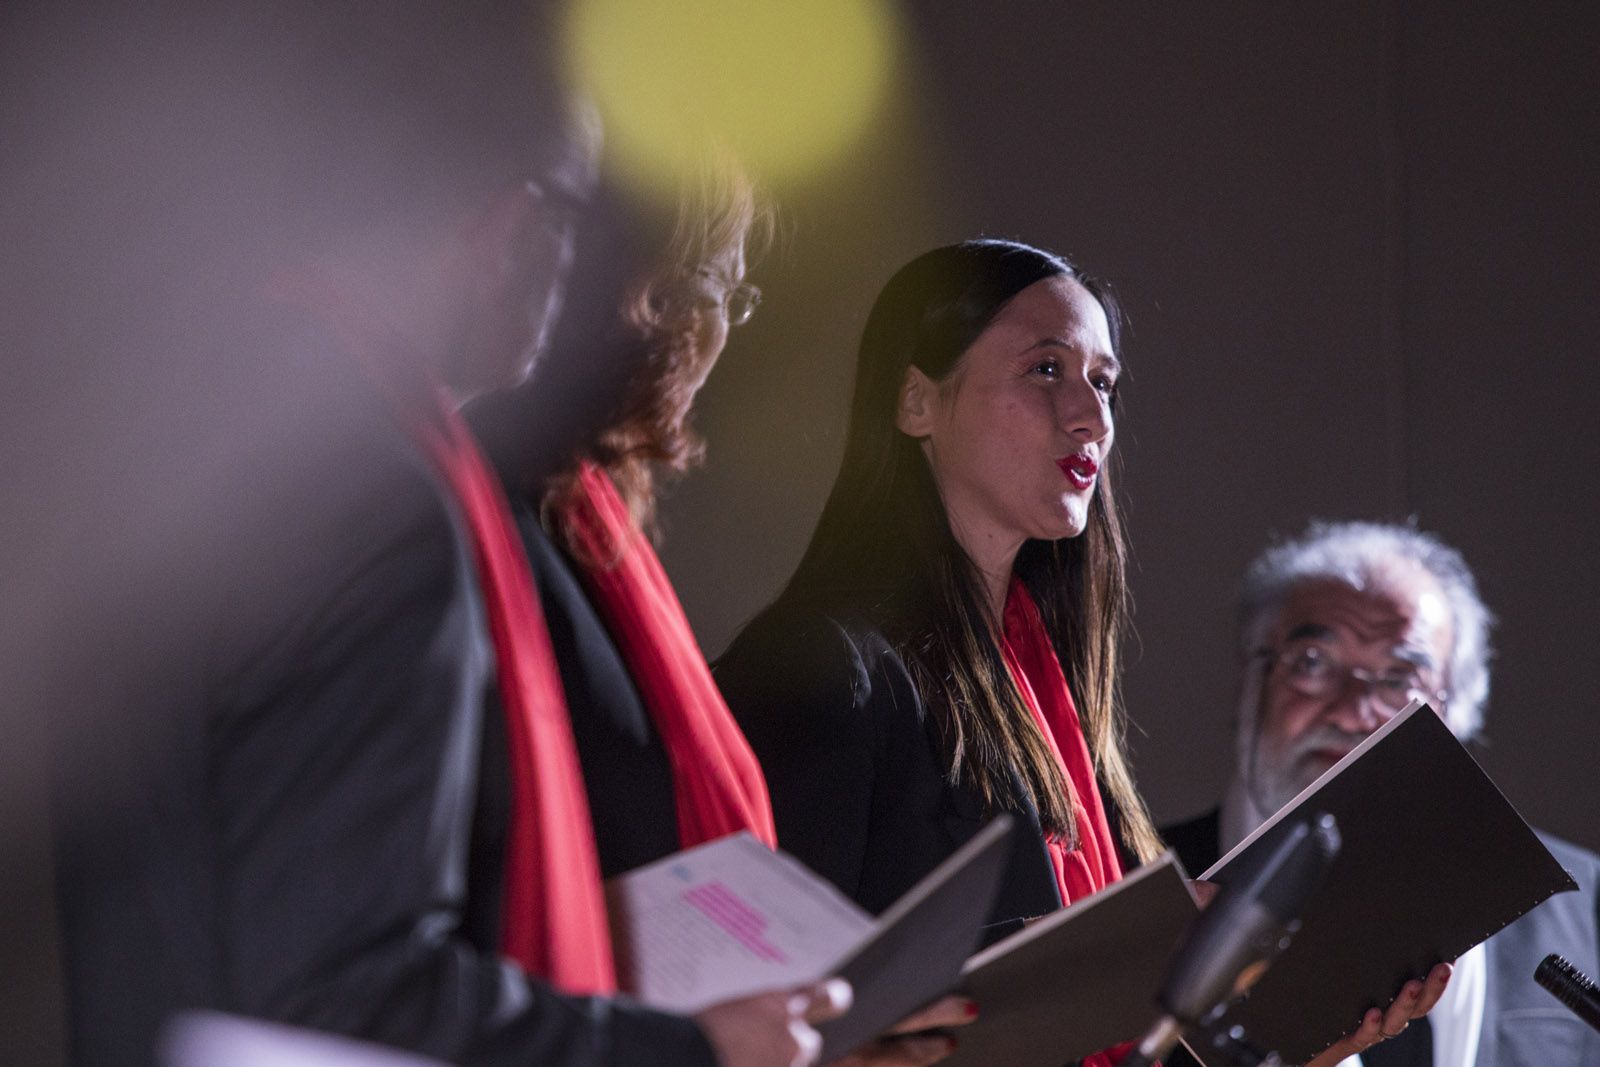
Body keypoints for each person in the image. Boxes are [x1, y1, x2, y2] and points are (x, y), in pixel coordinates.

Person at [46, 5, 842, 1065]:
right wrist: (695, 1050)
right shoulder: (377, 507)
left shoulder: (190, 459)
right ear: (503, 222)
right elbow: (348, 1000)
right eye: (572, 220)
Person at [714, 240, 1446, 1067]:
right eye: (1046, 369)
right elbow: (761, 1017)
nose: (1090, 416)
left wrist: (1297, 1037)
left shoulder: (1049, 692)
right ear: (916, 401)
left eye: (1103, 382)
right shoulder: (819, 665)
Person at [471, 152, 974, 1066]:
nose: (719, 334)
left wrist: (808, 1033)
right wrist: (702, 1045)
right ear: (646, 293)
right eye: (718, 291)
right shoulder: (484, 520)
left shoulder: (589, 529)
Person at [1162, 520, 1600, 1067]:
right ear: (1251, 684)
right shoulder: (1129, 887)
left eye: (1399, 679)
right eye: (1313, 663)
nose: (1353, 712)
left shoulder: (1584, 906)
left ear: (1457, 712)